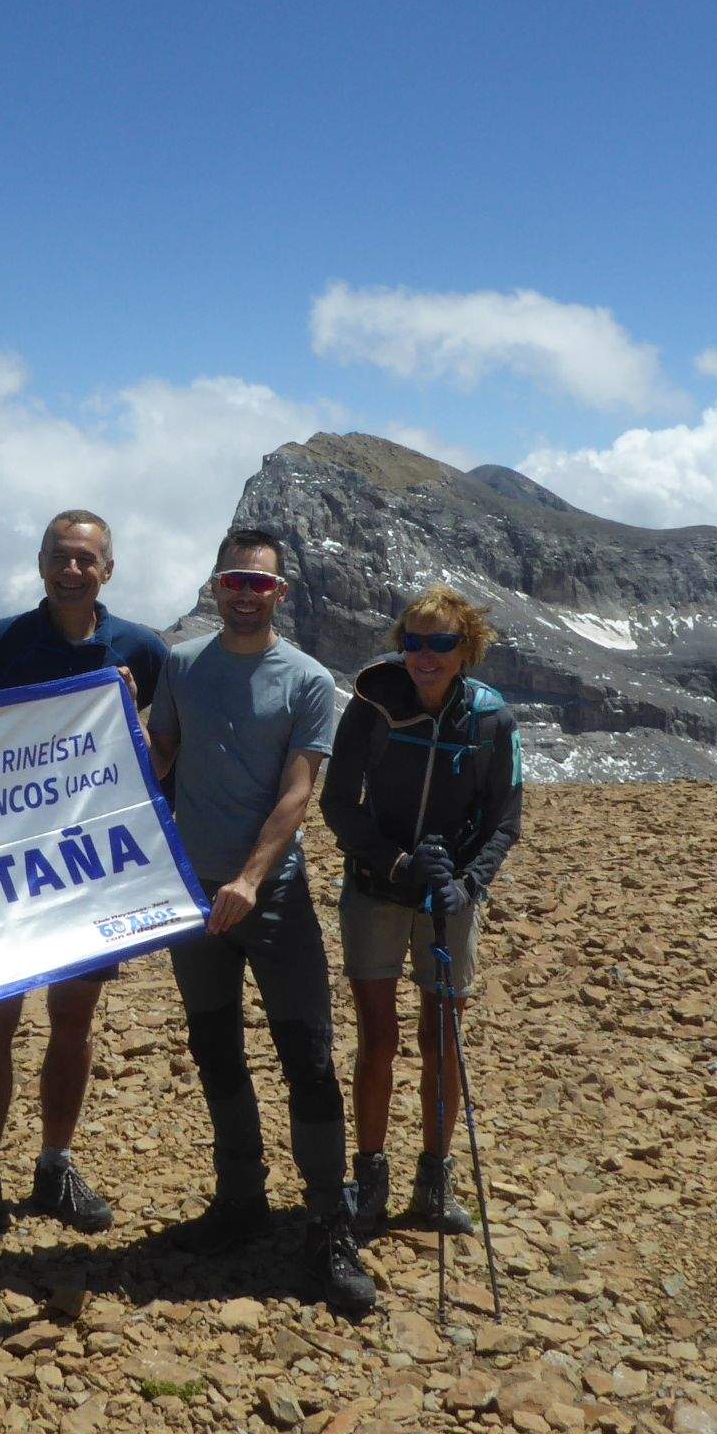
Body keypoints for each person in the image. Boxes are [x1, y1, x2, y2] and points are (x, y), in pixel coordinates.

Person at [0, 509, 168, 1255]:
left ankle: (54, 1166)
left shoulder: (141, 648)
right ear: (40, 564)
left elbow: (160, 750)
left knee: (73, 1019)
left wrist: (131, 714)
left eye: (85, 560)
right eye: (60, 558)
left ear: (108, 569)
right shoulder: (2, 640)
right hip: (1, 867)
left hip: (85, 868)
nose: (72, 571)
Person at [148, 528, 376, 1319]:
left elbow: (298, 791)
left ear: (281, 593)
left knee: (306, 1054)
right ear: (217, 586)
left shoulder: (310, 681)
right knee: (214, 1046)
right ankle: (240, 1198)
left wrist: (250, 877)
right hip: (192, 895)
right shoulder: (180, 665)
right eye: (235, 580)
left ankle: (326, 1224)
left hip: (269, 896)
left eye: (261, 583)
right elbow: (162, 755)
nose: (246, 593)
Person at [318, 584, 523, 1238]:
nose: (425, 656)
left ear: (467, 648)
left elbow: (504, 819)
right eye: (415, 642)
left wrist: (467, 883)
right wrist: (398, 865)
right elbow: (339, 805)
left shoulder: (493, 721)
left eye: (442, 643)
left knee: (443, 1039)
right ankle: (370, 1174)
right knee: (378, 1038)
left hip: (451, 894)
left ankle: (435, 1179)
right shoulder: (372, 706)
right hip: (380, 886)